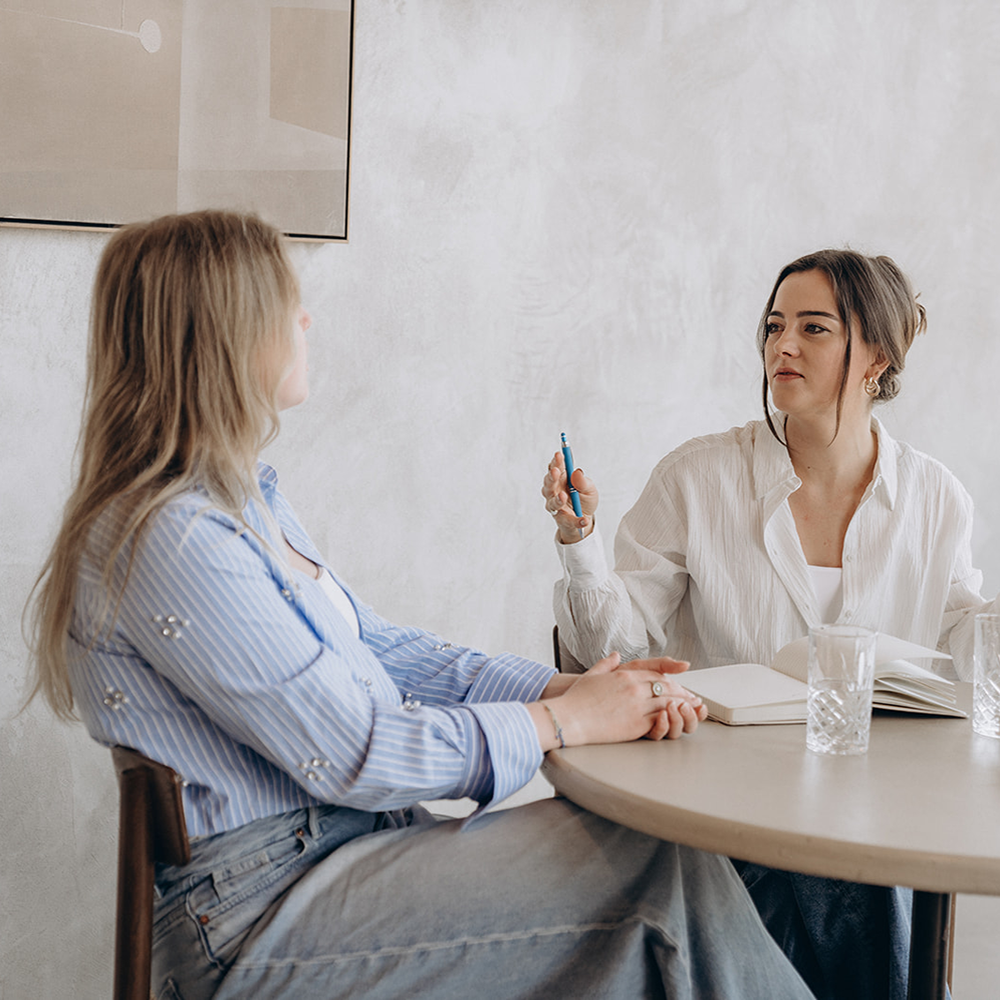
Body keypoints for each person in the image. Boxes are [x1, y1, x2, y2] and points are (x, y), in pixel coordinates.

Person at [24, 210, 814, 1000]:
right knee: (657, 870)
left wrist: (561, 689)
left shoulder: (244, 503)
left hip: (345, 859)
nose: (306, 319)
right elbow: (358, 751)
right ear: (221, 332)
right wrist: (566, 725)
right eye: (285, 302)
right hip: (263, 918)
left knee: (657, 860)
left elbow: (381, 647)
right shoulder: (173, 539)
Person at [542, 249, 988, 1000]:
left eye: (813, 328)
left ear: (876, 355)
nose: (783, 345)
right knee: (848, 889)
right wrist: (579, 548)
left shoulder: (936, 499)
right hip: (721, 816)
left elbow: (971, 662)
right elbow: (607, 653)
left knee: (852, 868)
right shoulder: (698, 477)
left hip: (872, 815)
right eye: (775, 325)